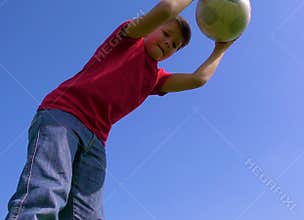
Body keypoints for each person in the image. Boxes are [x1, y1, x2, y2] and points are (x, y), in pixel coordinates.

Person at [5, 0, 236, 219]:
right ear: (151, 28)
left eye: (174, 45)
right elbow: (166, 9)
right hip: (64, 116)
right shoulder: (127, 39)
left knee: (88, 215)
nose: (168, 43)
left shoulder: (155, 78)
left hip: (97, 140)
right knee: (47, 191)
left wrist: (222, 47)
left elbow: (198, 79)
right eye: (166, 34)